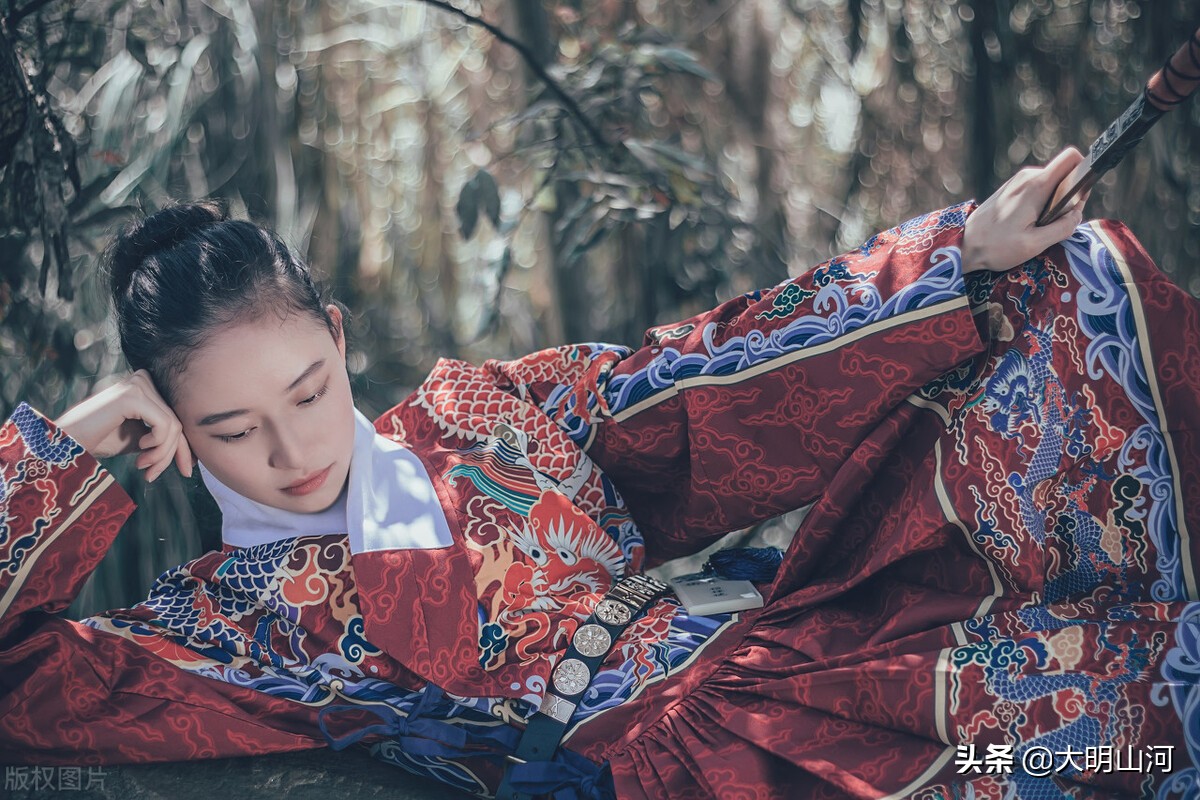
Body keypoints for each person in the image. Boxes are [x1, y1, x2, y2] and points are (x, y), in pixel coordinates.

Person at [0, 146, 1196, 800]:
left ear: (343, 337)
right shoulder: (219, 626)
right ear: (178, 433)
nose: (296, 447)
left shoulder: (481, 411)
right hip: (634, 779)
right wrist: (75, 438)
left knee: (1114, 735)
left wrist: (952, 261)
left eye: (310, 390)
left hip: (799, 690)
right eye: (231, 426)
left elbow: (716, 376)